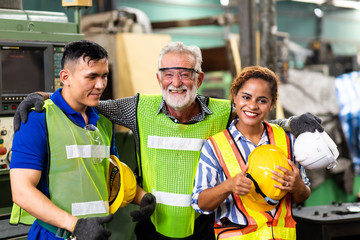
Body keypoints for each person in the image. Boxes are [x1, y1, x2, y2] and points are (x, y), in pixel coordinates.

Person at [14, 42, 322, 240]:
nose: (176, 82)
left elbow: (254, 117)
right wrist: (43, 98)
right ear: (159, 78)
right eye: (168, 73)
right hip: (153, 228)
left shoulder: (221, 111)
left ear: (199, 79)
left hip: (204, 228)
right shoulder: (137, 108)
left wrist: (293, 123)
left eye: (186, 74)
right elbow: (86, 101)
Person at [9, 40, 155, 240]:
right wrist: (76, 226)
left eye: (104, 76)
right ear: (65, 77)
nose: (101, 85)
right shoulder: (38, 120)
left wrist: (141, 197)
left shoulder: (103, 123)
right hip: (55, 235)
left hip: (96, 234)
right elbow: (21, 192)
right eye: (92, 76)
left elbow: (110, 176)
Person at [191, 66, 311, 239]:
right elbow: (199, 204)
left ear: (272, 103)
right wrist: (228, 186)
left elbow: (302, 195)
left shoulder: (287, 141)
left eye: (262, 100)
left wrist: (299, 186)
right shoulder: (214, 146)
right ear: (235, 96)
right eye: (246, 97)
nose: (252, 106)